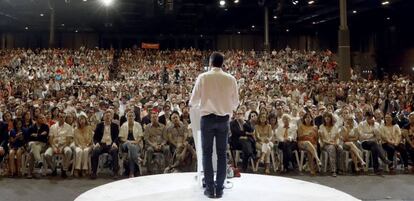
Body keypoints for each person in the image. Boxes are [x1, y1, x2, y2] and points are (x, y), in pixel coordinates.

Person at [189, 52, 239, 198]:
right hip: (223, 120)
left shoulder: (203, 77)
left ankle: (210, 189)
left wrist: (201, 105)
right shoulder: (231, 79)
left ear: (210, 62)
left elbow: (193, 100)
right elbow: (235, 103)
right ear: (222, 63)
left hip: (207, 119)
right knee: (222, 154)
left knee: (207, 153)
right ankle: (220, 188)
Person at [90, 109, 120, 179]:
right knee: (95, 152)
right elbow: (95, 137)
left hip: (111, 144)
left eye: (109, 116)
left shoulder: (115, 126)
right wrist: (96, 143)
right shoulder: (99, 125)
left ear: (111, 117)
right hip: (101, 144)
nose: (107, 118)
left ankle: (115, 172)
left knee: (114, 151)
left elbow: (117, 137)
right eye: (106, 116)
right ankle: (93, 172)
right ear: (103, 117)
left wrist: (115, 143)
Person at [44, 111, 74, 178]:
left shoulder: (68, 127)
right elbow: (50, 139)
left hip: (64, 144)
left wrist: (62, 147)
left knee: (69, 151)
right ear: (58, 117)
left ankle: (64, 169)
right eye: (61, 117)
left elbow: (68, 140)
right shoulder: (52, 127)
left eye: (64, 117)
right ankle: (53, 168)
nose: (62, 118)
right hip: (54, 145)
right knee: (46, 155)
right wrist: (54, 146)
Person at [119, 110, 143, 177]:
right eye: (129, 116)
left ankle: (131, 173)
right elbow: (121, 138)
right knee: (130, 145)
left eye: (132, 116)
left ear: (134, 117)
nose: (130, 117)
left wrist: (133, 142)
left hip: (136, 144)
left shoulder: (138, 125)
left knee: (131, 151)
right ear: (126, 117)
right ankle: (137, 158)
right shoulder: (124, 125)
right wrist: (129, 142)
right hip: (125, 144)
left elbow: (140, 137)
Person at [319, 112, 343, 177]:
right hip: (325, 144)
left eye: (328, 117)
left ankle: (340, 168)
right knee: (332, 148)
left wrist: (337, 143)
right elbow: (322, 139)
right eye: (325, 117)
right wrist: (332, 143)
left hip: (334, 143)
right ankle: (333, 170)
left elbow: (337, 137)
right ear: (324, 118)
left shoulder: (335, 126)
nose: (327, 118)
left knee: (340, 148)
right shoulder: (321, 127)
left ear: (331, 118)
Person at [26, 114, 49, 179]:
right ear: (36, 119)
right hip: (32, 143)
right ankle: (39, 160)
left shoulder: (46, 126)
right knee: (33, 144)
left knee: (31, 153)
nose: (42, 119)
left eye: (43, 118)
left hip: (42, 145)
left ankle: (30, 172)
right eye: (40, 118)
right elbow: (29, 137)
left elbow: (45, 137)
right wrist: (40, 136)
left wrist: (36, 136)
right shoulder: (31, 127)